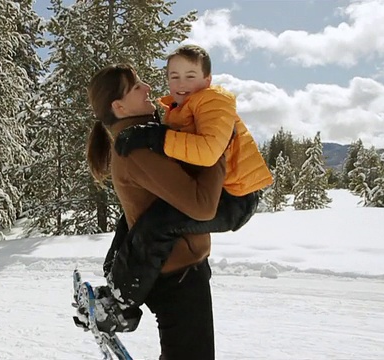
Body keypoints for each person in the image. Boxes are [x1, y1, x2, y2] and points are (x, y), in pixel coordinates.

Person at [81, 63, 227, 360]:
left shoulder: (142, 139)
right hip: (176, 275)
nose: (147, 87)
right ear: (119, 105)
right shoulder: (136, 150)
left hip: (177, 268)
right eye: (137, 86)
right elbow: (202, 205)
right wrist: (218, 147)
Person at [115, 44, 273, 234]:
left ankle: (127, 265)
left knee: (157, 227)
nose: (182, 84)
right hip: (215, 191)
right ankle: (115, 261)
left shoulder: (213, 101)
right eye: (175, 77)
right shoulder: (179, 110)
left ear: (207, 81)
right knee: (146, 217)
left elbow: (208, 153)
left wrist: (155, 136)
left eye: (190, 76)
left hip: (235, 197)